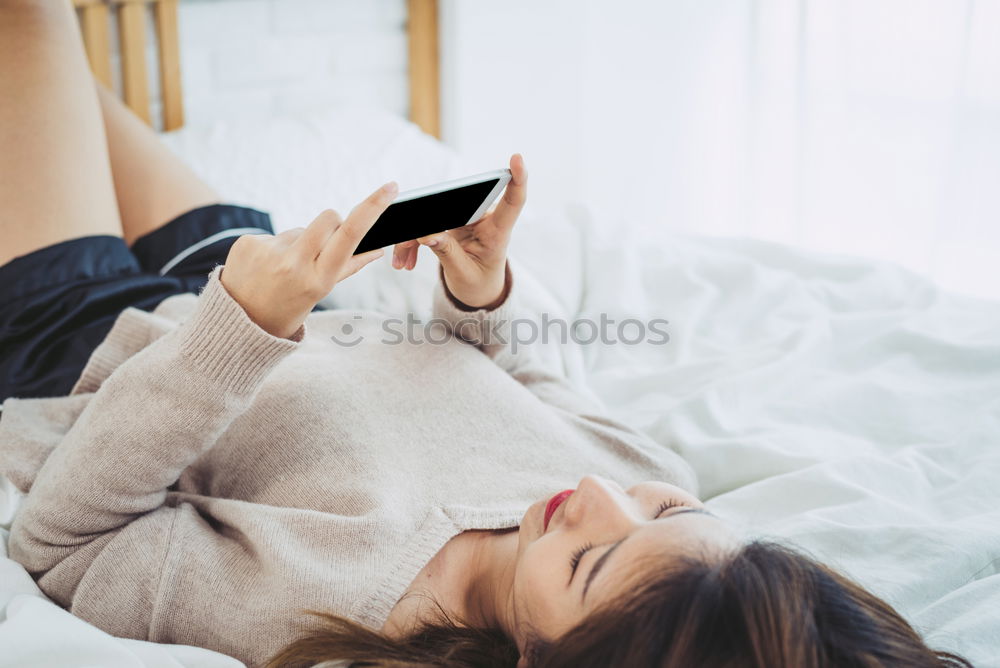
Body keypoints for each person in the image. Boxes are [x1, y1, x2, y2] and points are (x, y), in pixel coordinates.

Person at [0, 2, 973, 667]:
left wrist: (239, 332)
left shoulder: (329, 606)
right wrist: (483, 292)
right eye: (665, 508)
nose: (596, 496)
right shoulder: (630, 480)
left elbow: (70, 540)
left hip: (89, 341)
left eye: (591, 561)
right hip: (276, 283)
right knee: (63, 63)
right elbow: (537, 380)